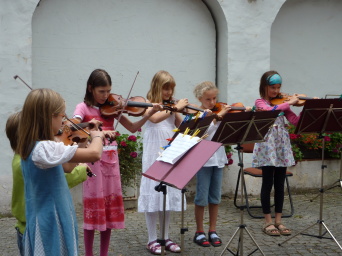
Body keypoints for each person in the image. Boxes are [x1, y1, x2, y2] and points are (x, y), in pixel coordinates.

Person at [73, 68, 162, 256]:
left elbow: (132, 127)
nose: (105, 96)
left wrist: (148, 113)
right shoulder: (83, 107)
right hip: (92, 163)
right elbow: (74, 127)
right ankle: (89, 253)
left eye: (108, 91)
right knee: (93, 210)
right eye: (101, 91)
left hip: (111, 163)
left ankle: (103, 253)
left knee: (108, 211)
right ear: (90, 88)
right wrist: (94, 131)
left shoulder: (113, 108)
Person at [17, 88, 105, 256]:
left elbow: (68, 167)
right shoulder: (44, 148)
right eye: (62, 116)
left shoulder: (36, 145)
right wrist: (98, 136)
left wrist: (82, 140)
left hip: (53, 215)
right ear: (49, 117)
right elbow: (95, 153)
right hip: (51, 220)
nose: (65, 122)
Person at [6, 111, 92, 256]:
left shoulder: (20, 157)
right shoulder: (32, 158)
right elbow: (58, 181)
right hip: (35, 228)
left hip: (24, 225)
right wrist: (81, 170)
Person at [137, 70, 189, 255]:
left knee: (166, 194)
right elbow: (154, 118)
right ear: (157, 87)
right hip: (153, 154)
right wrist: (174, 108)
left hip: (168, 153)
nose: (169, 92)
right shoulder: (148, 104)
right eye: (166, 88)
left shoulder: (170, 107)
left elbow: (183, 128)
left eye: (171, 89)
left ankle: (165, 236)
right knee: (153, 193)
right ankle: (152, 238)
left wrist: (183, 112)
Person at [252, 70, 300, 236]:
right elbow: (269, 111)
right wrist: (289, 102)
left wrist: (305, 109)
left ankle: (278, 220)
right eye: (273, 87)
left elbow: (294, 120)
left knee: (280, 184)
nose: (276, 91)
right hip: (267, 147)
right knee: (268, 183)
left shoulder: (281, 104)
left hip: (281, 146)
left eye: (278, 87)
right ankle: (267, 221)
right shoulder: (260, 102)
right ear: (264, 86)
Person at [192, 81, 231, 247]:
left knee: (215, 197)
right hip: (203, 160)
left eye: (214, 98)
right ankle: (199, 231)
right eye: (208, 99)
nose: (213, 102)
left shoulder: (218, 112)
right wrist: (216, 118)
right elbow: (203, 134)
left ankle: (213, 229)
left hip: (218, 158)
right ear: (201, 99)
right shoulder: (199, 115)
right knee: (202, 197)